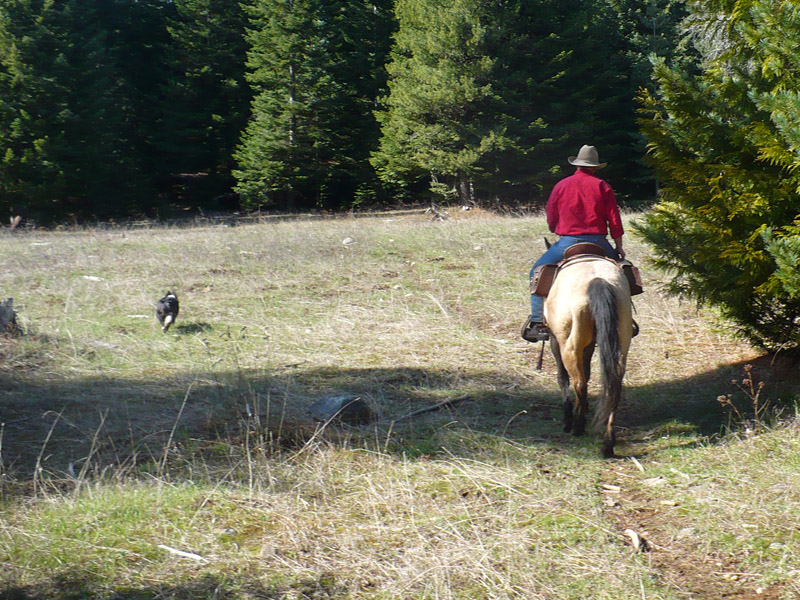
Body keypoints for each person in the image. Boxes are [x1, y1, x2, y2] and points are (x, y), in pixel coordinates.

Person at [521, 144, 625, 342]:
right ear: (595, 167)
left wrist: (555, 227)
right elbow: (614, 219)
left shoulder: (561, 185)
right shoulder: (602, 186)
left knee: (537, 271)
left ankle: (537, 322)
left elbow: (551, 213)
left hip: (568, 243)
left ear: (577, 165)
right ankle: (624, 320)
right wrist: (619, 246)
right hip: (599, 243)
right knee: (623, 272)